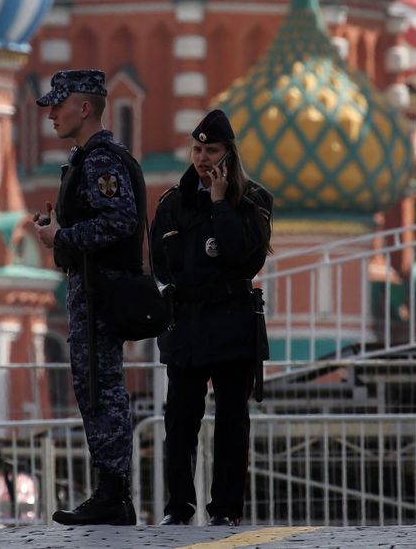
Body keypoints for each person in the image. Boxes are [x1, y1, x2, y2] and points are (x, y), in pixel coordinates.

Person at [150, 109, 273, 527]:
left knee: (231, 422)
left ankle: (225, 510)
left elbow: (243, 257)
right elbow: (159, 264)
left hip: (232, 322)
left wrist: (220, 204)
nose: (202, 158)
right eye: (198, 149)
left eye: (212, 150)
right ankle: (179, 507)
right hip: (186, 324)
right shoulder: (173, 203)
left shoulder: (253, 200)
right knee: (179, 420)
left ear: (229, 154)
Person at [34, 69, 139, 526]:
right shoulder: (86, 158)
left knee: (102, 387)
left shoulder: (100, 160)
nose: (52, 113)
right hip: (89, 289)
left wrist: (64, 235)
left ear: (86, 107)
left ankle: (114, 494)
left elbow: (120, 221)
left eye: (60, 104)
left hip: (102, 292)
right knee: (91, 386)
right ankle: (109, 491)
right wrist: (59, 236)